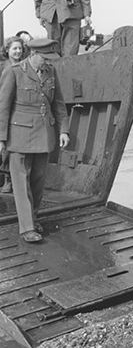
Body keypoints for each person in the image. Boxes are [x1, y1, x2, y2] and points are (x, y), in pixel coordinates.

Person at [0, 38, 70, 243]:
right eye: (45, 58)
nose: (48, 62)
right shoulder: (13, 72)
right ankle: (27, 228)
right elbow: (3, 108)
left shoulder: (51, 72)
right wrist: (1, 138)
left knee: (38, 181)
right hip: (19, 135)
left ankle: (33, 217)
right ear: (33, 54)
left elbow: (58, 104)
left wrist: (63, 131)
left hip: (44, 134)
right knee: (21, 183)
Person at [0, 36, 28, 193]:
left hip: (19, 112)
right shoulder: (5, 68)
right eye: (14, 49)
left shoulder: (24, 66)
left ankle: (16, 179)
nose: (18, 51)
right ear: (7, 50)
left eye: (19, 48)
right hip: (6, 111)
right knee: (6, 146)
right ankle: (7, 179)